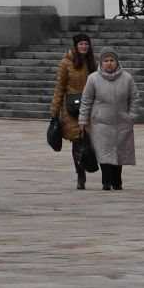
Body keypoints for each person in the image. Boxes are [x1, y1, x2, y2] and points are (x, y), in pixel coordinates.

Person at [79, 47, 140, 191]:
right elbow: (86, 100)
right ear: (101, 62)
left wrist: (131, 116)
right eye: (106, 60)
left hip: (122, 122)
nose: (109, 63)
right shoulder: (93, 78)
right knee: (104, 152)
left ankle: (117, 181)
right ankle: (106, 181)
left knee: (120, 152)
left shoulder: (127, 78)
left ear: (117, 62)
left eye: (112, 60)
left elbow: (135, 98)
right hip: (101, 122)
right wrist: (83, 121)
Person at [50, 30, 98, 189]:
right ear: (76, 46)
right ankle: (80, 174)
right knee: (78, 139)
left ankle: (88, 164)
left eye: (86, 44)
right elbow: (60, 86)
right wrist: (55, 107)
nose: (84, 47)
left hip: (90, 105)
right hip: (71, 107)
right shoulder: (66, 63)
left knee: (89, 139)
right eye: (81, 44)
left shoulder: (92, 62)